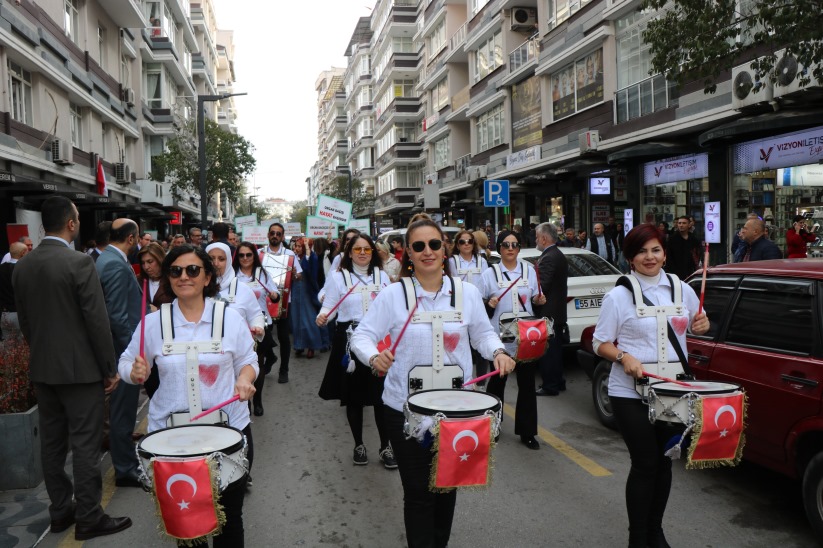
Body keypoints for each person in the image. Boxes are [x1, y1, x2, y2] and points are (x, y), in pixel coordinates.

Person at [351, 218, 515, 548]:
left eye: (435, 245)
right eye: (419, 246)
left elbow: (482, 334)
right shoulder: (393, 295)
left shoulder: (467, 293)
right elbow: (362, 336)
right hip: (403, 409)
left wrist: (497, 351)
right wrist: (373, 357)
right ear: (408, 254)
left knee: (446, 488)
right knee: (417, 494)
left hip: (457, 412)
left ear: (445, 249)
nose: (428, 252)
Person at [119, 245, 258, 545]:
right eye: (176, 271)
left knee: (229, 520)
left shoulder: (230, 319)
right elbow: (126, 362)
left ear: (208, 277)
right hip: (171, 440)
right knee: (187, 528)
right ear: (168, 278)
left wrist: (245, 380)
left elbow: (248, 361)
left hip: (228, 431)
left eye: (193, 270)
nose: (184, 276)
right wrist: (134, 372)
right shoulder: (153, 324)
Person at [13, 196, 131, 541]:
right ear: (71, 224)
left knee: (51, 444)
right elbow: (97, 321)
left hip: (43, 367)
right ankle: (90, 515)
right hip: (80, 372)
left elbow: (26, 322)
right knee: (85, 443)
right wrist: (110, 368)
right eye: (77, 218)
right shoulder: (78, 263)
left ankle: (61, 509)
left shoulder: (23, 266)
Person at [592, 223, 710, 548]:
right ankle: (638, 537)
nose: (649, 257)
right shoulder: (619, 295)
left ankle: (656, 531)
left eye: (655, 250)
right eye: (642, 251)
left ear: (664, 253)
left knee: (664, 463)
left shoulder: (682, 288)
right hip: (630, 393)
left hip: (673, 392)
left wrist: (703, 323)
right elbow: (600, 343)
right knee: (645, 463)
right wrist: (623, 356)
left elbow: (692, 328)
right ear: (630, 257)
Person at [317, 234, 394, 468]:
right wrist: (322, 316)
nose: (362, 253)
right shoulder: (339, 277)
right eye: (357, 249)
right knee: (354, 398)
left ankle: (385, 447)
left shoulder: (382, 277)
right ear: (349, 253)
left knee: (382, 398)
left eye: (367, 249)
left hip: (379, 342)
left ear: (374, 252)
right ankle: (359, 445)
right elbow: (328, 306)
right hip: (349, 341)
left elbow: (393, 307)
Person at [482, 230, 545, 449]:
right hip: (500, 339)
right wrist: (488, 304)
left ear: (519, 248)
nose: (511, 249)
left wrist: (539, 301)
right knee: (498, 382)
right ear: (499, 248)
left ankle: (528, 432)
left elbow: (535, 303)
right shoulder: (489, 274)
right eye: (506, 245)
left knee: (527, 384)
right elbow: (480, 308)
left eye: (515, 244)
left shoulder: (529, 269)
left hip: (527, 337)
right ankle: (492, 426)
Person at [96, 218, 144, 489]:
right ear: (130, 238)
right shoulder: (114, 263)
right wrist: (132, 351)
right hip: (122, 351)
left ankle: (126, 464)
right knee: (122, 412)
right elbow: (116, 316)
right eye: (137, 238)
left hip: (120, 348)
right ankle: (125, 468)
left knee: (122, 412)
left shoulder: (110, 259)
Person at [233, 241, 278, 416]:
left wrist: (274, 296)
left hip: (259, 326)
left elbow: (275, 296)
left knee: (257, 365)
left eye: (249, 255)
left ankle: (257, 400)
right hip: (237, 327)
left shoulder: (262, 274)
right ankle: (243, 402)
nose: (245, 258)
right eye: (242, 255)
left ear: (254, 256)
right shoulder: (233, 276)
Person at [261, 222, 302, 383]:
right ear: (268, 235)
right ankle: (270, 358)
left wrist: (295, 274)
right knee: (264, 335)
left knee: (284, 337)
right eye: (273, 233)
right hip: (264, 302)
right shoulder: (260, 254)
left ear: (283, 236)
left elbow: (300, 275)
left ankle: (284, 370)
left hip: (285, 301)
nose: (275, 236)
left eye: (278, 233)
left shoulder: (290, 255)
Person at [450, 229, 491, 382]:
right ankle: (463, 379)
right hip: (458, 307)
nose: (466, 244)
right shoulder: (452, 262)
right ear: (457, 245)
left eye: (469, 241)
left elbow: (486, 284)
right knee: (461, 343)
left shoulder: (482, 261)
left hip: (479, 305)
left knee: (480, 343)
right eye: (462, 241)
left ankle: (480, 382)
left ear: (474, 244)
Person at [534, 223, 568, 397]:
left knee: (549, 352)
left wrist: (533, 296)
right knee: (555, 351)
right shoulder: (557, 254)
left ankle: (550, 386)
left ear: (544, 238)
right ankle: (558, 381)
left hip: (550, 313)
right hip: (557, 312)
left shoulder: (549, 257)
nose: (536, 240)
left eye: (537, 237)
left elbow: (543, 286)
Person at [290, 238, 323, 358]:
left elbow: (311, 273)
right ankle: (299, 345)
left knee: (308, 319)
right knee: (296, 318)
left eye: (299, 246)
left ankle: (311, 346)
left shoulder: (312, 257)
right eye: (295, 246)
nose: (296, 248)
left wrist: (308, 253)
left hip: (307, 292)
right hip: (295, 291)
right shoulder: (293, 258)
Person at [0, 241, 28, 342]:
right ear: (23, 253)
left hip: (4, 314)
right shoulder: (24, 270)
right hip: (20, 314)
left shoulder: (1, 269)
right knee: (23, 348)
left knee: (8, 349)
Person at [138, 242, 172, 310]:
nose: (146, 267)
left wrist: (158, 310)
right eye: (143, 263)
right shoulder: (138, 280)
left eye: (150, 261)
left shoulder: (171, 279)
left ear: (160, 259)